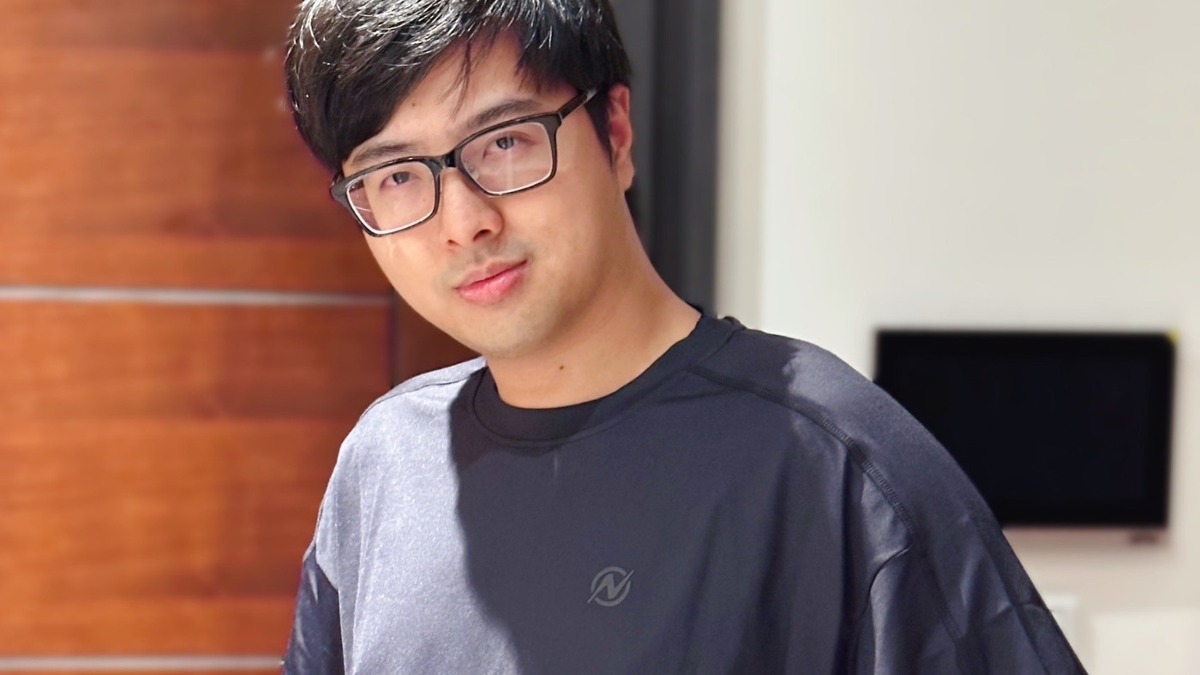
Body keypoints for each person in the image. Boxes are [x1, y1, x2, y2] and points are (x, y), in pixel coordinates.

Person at [280, 1, 1087, 673]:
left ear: (616, 132)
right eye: (396, 176)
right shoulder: (382, 466)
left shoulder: (838, 466)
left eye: (506, 141)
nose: (464, 222)